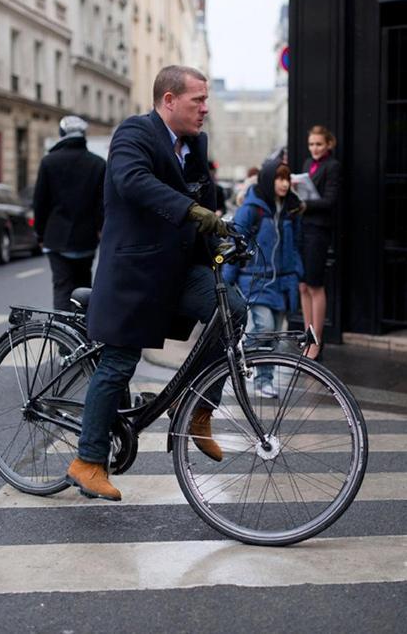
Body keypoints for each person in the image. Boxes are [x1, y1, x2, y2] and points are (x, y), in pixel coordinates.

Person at [66, 65, 246, 501]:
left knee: (233, 310)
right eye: (197, 100)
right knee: (119, 363)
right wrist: (190, 211)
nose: (206, 109)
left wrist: (223, 233)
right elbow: (133, 181)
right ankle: (87, 461)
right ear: (169, 100)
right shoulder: (134, 133)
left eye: (206, 100)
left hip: (180, 268)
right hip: (135, 273)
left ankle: (200, 411)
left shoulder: (195, 143)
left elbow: (206, 197)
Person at [224, 161, 303, 397]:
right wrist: (227, 281)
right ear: (269, 180)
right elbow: (235, 243)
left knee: (274, 338)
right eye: (279, 178)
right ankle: (231, 356)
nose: (284, 183)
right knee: (265, 328)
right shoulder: (252, 209)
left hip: (282, 282)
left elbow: (296, 244)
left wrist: (298, 273)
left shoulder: (291, 209)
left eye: (287, 179)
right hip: (254, 280)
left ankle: (264, 381)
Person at [33, 116, 106, 311]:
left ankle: (63, 335)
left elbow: (40, 203)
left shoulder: (49, 162)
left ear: (61, 134)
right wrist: (99, 228)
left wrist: (39, 234)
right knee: (83, 287)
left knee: (62, 287)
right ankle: (82, 335)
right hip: (86, 238)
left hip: (56, 238)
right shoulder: (98, 164)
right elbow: (102, 203)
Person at [298, 125, 340, 360]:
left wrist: (305, 204)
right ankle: (308, 337)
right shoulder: (306, 164)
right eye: (312, 144)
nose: (314, 148)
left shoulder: (332, 166)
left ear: (328, 144)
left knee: (314, 285)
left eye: (319, 144)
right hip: (303, 228)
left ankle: (317, 342)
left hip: (319, 231)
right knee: (302, 286)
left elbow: (330, 201)